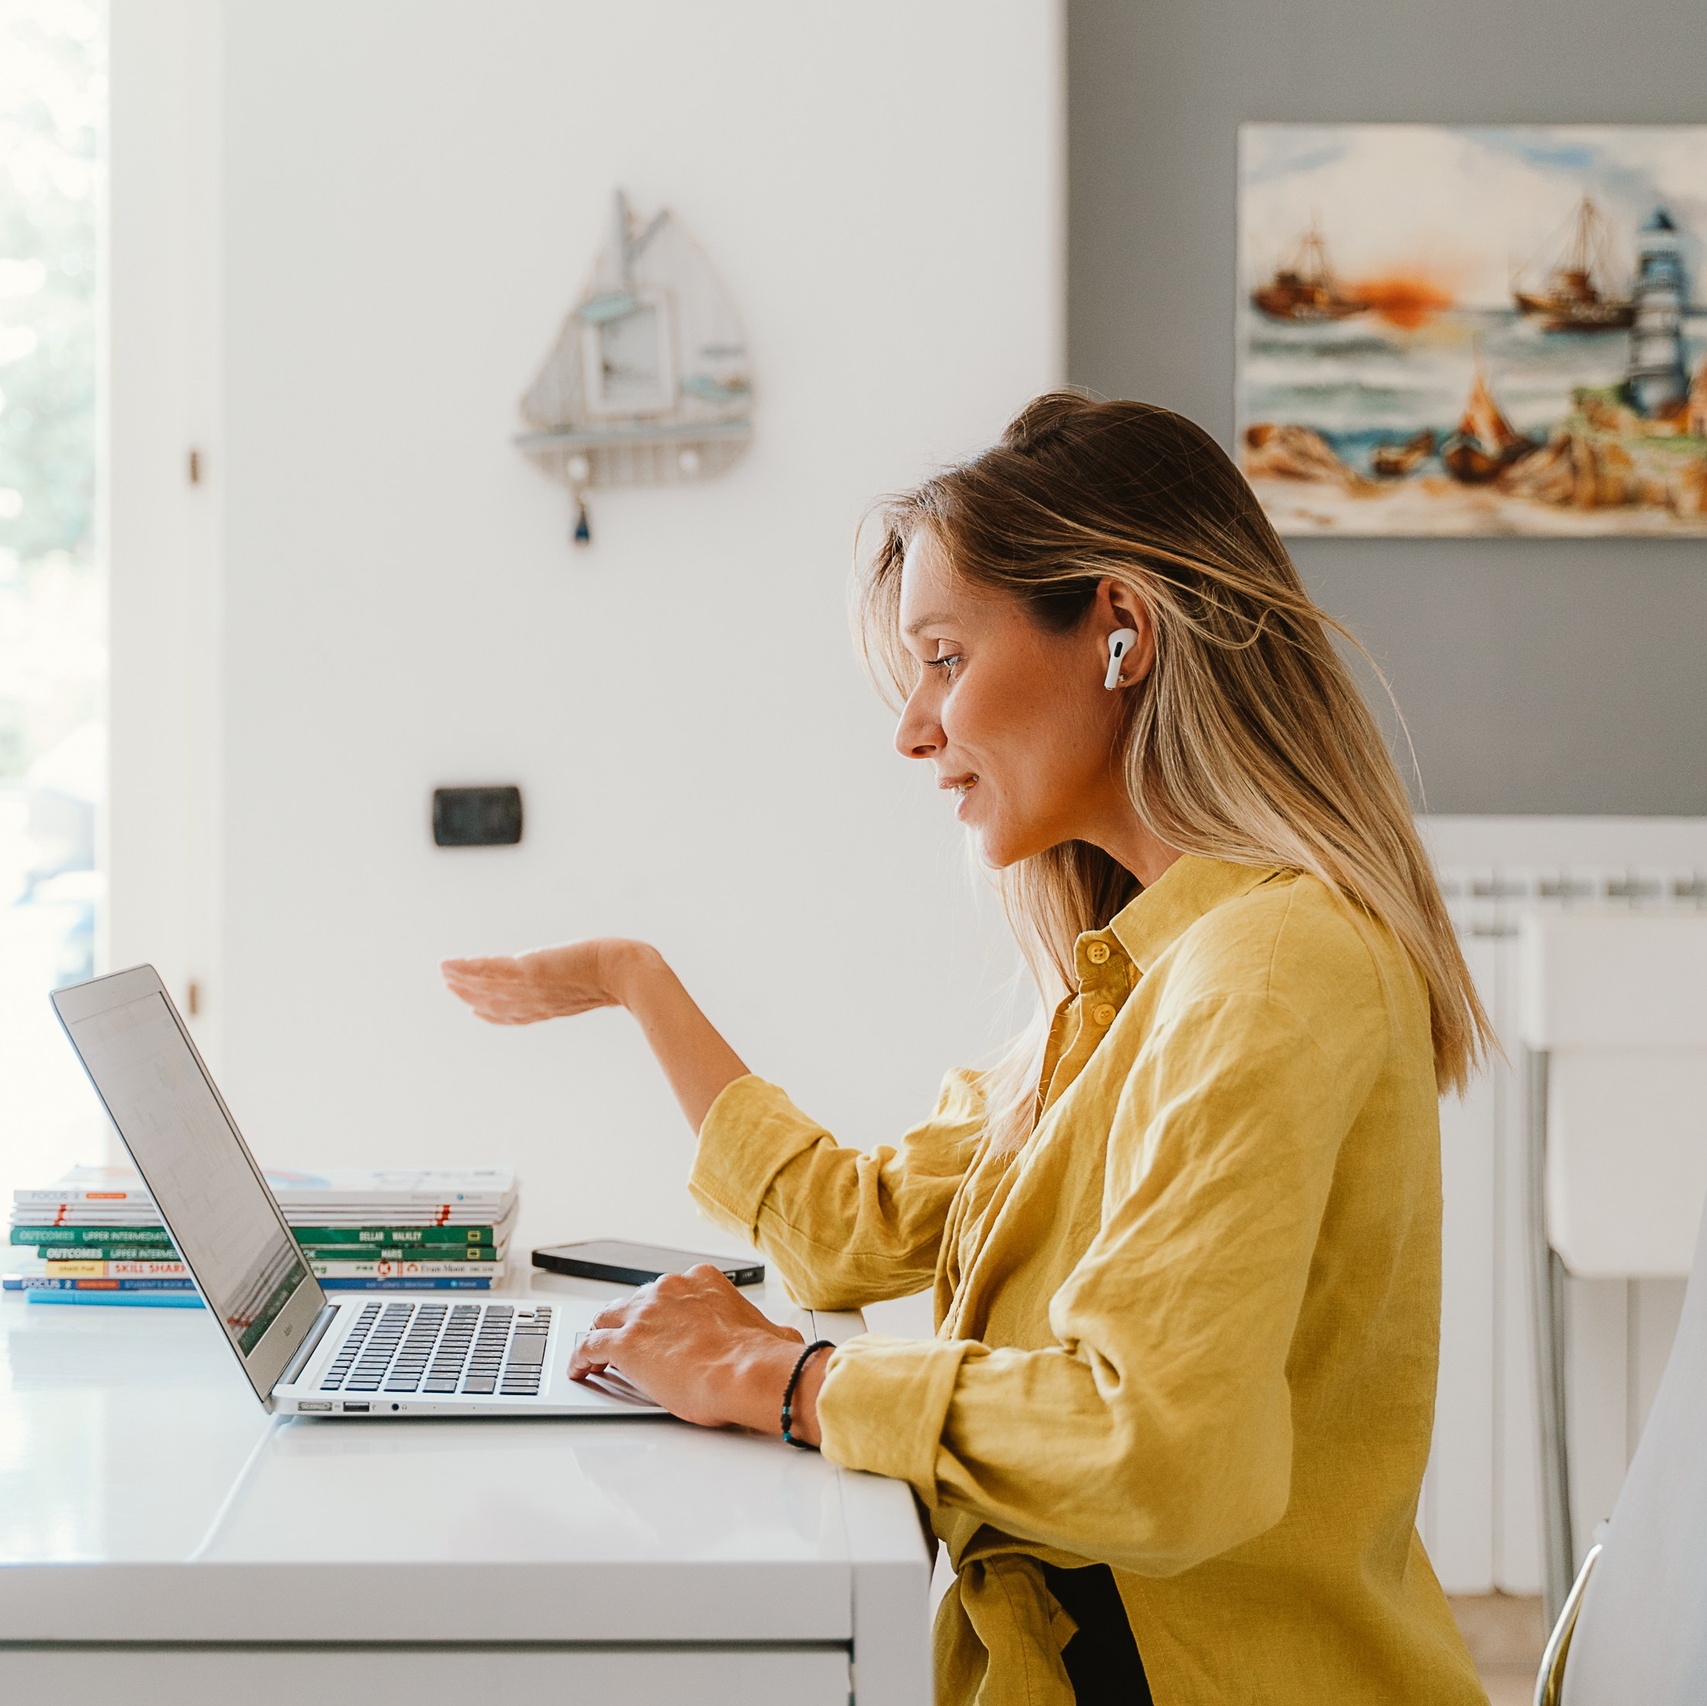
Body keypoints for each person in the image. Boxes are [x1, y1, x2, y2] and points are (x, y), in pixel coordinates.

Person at [441, 394, 1494, 1706]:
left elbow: (1158, 1450)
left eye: (944, 657)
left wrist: (784, 1374)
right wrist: (634, 982)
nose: (914, 728)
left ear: (1119, 632)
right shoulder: (1133, 983)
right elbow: (848, 1228)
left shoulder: (1268, 973)